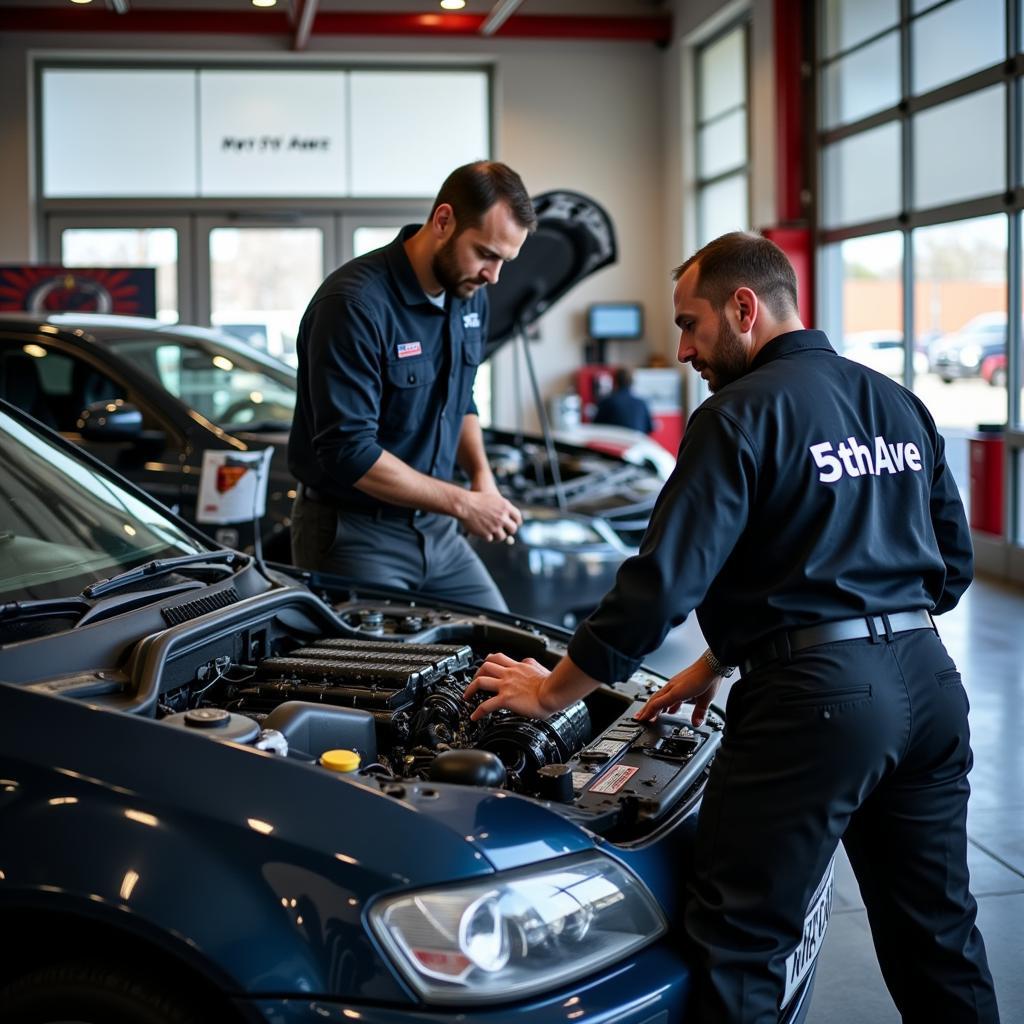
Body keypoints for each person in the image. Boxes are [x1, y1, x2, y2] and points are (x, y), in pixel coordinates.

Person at [464, 232, 1000, 1022]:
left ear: (743, 308)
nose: (683, 350)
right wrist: (725, 655)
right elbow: (949, 567)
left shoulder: (737, 416)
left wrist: (552, 693)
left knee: (741, 938)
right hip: (929, 685)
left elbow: (656, 590)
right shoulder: (894, 401)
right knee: (937, 936)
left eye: (691, 324)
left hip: (817, 708)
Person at [288, 161, 537, 611]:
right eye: (485, 253)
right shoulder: (353, 305)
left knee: (498, 653)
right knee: (384, 678)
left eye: (504, 260)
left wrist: (482, 478)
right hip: (355, 535)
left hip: (438, 532)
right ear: (443, 221)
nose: (493, 276)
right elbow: (348, 451)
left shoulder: (469, 295)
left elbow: (461, 397)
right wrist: (465, 504)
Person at [593, 366, 654, 434]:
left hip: (615, 442)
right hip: (637, 443)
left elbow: (596, 427)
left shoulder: (607, 402)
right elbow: (649, 429)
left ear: (615, 382)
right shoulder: (642, 403)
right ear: (632, 382)